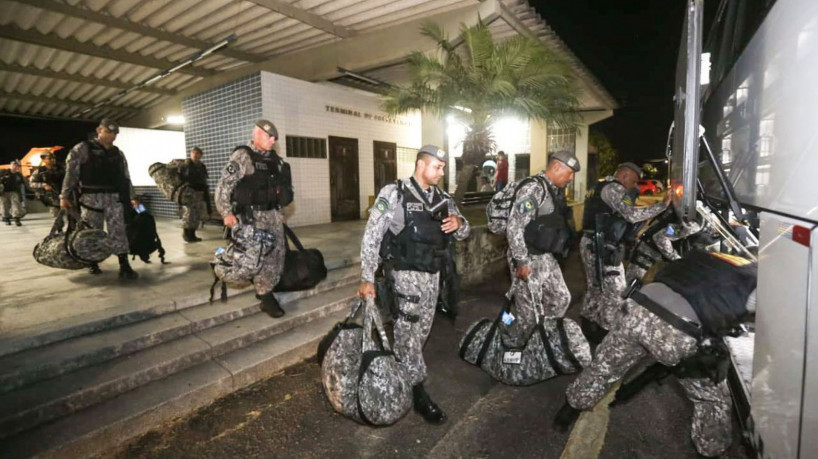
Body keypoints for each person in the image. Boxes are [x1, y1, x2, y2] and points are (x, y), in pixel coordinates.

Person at [556, 251, 757, 457]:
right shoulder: (757, 281)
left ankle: (568, 411)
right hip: (677, 331)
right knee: (712, 399)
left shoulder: (713, 256)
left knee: (603, 367)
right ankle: (711, 450)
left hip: (637, 308)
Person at [357, 144, 470, 424]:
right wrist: (367, 277)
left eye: (443, 167)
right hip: (405, 278)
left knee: (419, 335)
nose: (441, 172)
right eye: (437, 166)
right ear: (421, 165)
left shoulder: (442, 199)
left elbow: (463, 231)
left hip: (433, 278)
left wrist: (459, 222)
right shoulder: (395, 193)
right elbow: (372, 235)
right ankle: (419, 394)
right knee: (407, 336)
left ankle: (401, 375)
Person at [579, 162, 671, 334]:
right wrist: (662, 205)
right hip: (602, 247)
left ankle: (588, 326)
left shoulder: (599, 186)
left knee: (595, 288)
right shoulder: (614, 188)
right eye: (634, 181)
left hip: (591, 242)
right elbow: (631, 215)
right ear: (625, 175)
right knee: (616, 291)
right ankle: (606, 330)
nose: (634, 186)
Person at [215, 120, 293, 318]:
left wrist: (280, 214)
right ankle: (266, 297)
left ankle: (266, 288)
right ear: (257, 135)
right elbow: (224, 186)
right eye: (269, 137)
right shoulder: (243, 156)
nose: (273, 141)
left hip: (273, 216)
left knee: (277, 255)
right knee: (259, 257)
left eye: (275, 138)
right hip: (252, 217)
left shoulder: (275, 160)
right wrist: (226, 213)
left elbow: (276, 190)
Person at [501, 150, 579, 347]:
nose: (570, 178)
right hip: (527, 257)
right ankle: (521, 351)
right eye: (569, 173)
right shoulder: (534, 189)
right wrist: (521, 261)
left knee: (561, 298)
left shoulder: (554, 190)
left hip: (545, 256)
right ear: (556, 167)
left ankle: (542, 340)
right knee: (528, 314)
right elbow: (514, 226)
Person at [61, 119, 139, 278]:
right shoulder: (83, 148)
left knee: (118, 230)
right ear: (99, 130)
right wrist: (65, 195)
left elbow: (125, 177)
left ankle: (124, 264)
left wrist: (132, 197)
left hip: (113, 197)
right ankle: (92, 262)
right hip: (91, 198)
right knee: (91, 231)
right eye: (108, 131)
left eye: (115, 133)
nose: (112, 136)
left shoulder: (118, 153)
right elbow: (71, 174)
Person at [179, 146, 210, 242]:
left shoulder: (201, 166)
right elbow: (181, 178)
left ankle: (192, 234)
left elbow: (204, 179)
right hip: (189, 192)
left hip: (199, 192)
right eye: (194, 153)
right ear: (191, 154)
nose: (196, 155)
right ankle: (186, 234)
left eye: (198, 153)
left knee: (195, 215)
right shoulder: (186, 165)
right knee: (188, 214)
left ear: (201, 155)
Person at [29, 152, 64, 217]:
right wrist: (43, 185)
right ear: (43, 160)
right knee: (57, 215)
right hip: (51, 196)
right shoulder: (39, 171)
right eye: (50, 158)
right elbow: (31, 183)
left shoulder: (61, 168)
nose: (53, 160)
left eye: (54, 158)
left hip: (64, 194)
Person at [0, 160, 26, 226]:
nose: (15, 166)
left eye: (16, 165)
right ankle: (6, 219)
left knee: (16, 205)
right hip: (4, 192)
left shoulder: (18, 175)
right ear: (10, 165)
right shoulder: (4, 172)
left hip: (14, 192)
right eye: (13, 165)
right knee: (4, 206)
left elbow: (24, 184)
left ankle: (17, 219)